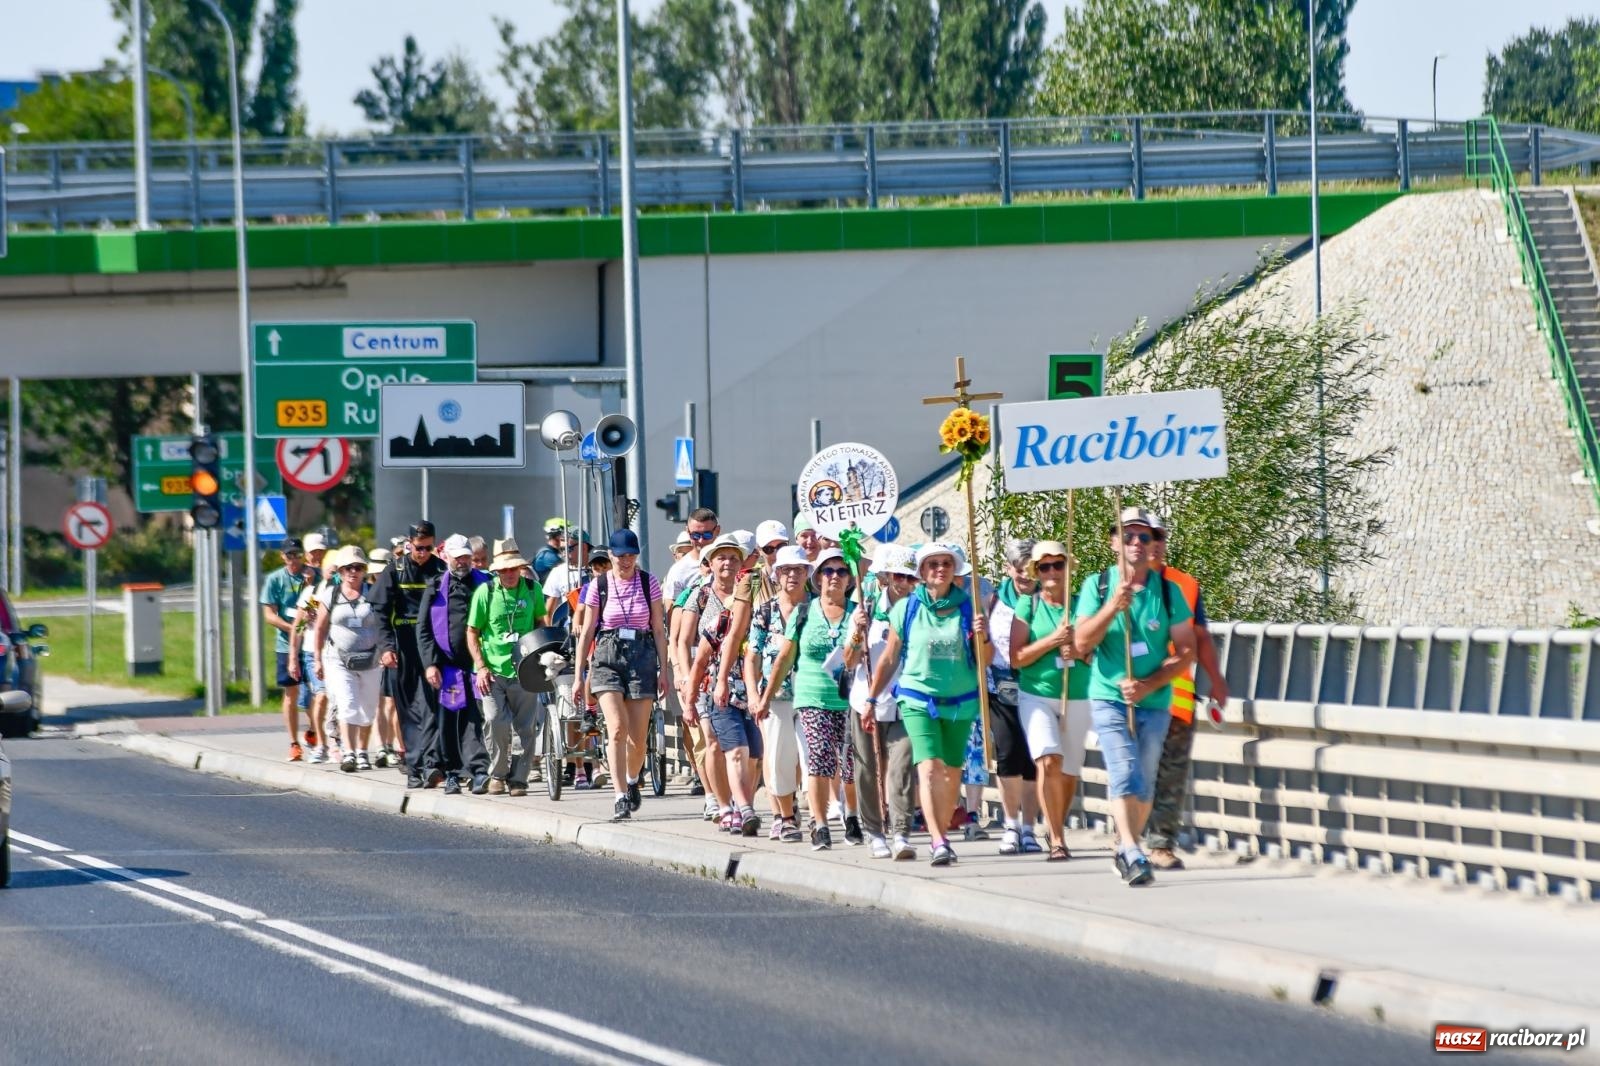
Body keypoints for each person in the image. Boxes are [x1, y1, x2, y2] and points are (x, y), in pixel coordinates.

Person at [1072, 507, 1197, 887]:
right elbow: (1081, 643)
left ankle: (1127, 846)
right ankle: (1130, 848)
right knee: (1124, 770)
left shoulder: (1168, 591)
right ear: (1114, 542)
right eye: (1128, 536)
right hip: (1109, 696)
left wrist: (1149, 684)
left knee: (1143, 780)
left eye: (1145, 536)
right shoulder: (1097, 586)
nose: (1137, 543)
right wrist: (1113, 606)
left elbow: (1186, 651)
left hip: (1154, 701)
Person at [864, 543, 989, 867]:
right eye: (933, 564)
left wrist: (983, 636)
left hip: (961, 701)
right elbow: (889, 657)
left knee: (951, 772)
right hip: (918, 699)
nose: (940, 569)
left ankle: (941, 831)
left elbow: (984, 661)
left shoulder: (969, 607)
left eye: (946, 563)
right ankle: (938, 840)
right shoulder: (907, 608)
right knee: (929, 767)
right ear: (921, 571)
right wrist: (871, 698)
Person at [1142, 515, 1229, 870]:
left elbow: (1201, 637)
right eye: (1146, 537)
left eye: (1159, 537)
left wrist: (1216, 679)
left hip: (1176, 696)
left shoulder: (1185, 585)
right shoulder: (1114, 586)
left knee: (1171, 773)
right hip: (1132, 697)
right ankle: (1128, 836)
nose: (1154, 544)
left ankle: (1161, 843)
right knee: (1136, 770)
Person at [758, 546, 860, 850]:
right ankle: (820, 824)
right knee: (818, 760)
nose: (834, 577)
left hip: (849, 699)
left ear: (849, 579)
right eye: (828, 571)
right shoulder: (805, 612)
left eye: (841, 571)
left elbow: (858, 658)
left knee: (850, 765)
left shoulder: (858, 613)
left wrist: (858, 633)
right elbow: (785, 658)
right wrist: (765, 697)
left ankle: (852, 815)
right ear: (818, 578)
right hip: (811, 697)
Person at [577, 529, 668, 822]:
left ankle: (631, 780)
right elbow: (587, 631)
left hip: (642, 656)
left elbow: (658, 629)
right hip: (607, 655)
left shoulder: (649, 582)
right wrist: (579, 675)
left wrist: (664, 670)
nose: (626, 561)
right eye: (620, 556)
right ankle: (619, 797)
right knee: (617, 728)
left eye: (631, 555)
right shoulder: (599, 585)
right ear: (611, 556)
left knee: (638, 738)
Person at [1009, 540, 1092, 862]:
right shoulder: (1028, 606)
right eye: (1045, 567)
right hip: (1037, 695)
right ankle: (1057, 839)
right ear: (1037, 572)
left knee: (1068, 771)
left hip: (1077, 694)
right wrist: (1053, 641)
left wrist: (1079, 651)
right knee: (1048, 759)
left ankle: (1055, 821)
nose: (1052, 572)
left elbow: (1098, 652)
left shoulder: (1083, 606)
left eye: (1059, 564)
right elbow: (1017, 658)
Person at [685, 533, 763, 835]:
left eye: (733, 558)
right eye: (721, 558)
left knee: (753, 755)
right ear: (711, 563)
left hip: (752, 687)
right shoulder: (703, 596)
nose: (728, 563)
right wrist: (688, 695)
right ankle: (726, 806)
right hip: (715, 686)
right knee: (717, 745)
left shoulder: (757, 599)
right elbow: (691, 647)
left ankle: (743, 803)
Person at [849, 545, 921, 860]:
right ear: (887, 577)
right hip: (867, 699)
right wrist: (857, 633)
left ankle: (901, 832)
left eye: (910, 577)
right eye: (899, 576)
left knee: (902, 766)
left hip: (906, 700)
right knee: (867, 769)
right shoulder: (867, 608)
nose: (904, 583)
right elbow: (849, 661)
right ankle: (874, 831)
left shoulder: (921, 610)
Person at [367, 520, 447, 788]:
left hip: (432, 645)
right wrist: (387, 647)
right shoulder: (395, 570)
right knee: (408, 709)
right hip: (403, 645)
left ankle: (432, 764)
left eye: (428, 548)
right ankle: (414, 767)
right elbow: (380, 613)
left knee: (432, 706)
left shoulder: (440, 569)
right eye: (418, 548)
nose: (422, 553)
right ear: (409, 544)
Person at [467, 538, 546, 797]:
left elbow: (540, 623)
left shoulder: (533, 589)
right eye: (504, 570)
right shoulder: (485, 592)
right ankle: (498, 774)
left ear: (520, 568)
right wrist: (481, 667)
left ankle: (519, 779)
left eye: (513, 569)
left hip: (525, 668)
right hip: (493, 670)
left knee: (526, 727)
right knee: (495, 720)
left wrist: (541, 655)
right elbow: (472, 631)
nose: (509, 574)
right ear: (497, 571)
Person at [416, 534, 493, 796]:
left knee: (476, 719)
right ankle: (452, 772)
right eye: (458, 557)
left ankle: (479, 770)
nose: (463, 561)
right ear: (446, 557)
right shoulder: (436, 586)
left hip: (479, 663)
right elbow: (424, 629)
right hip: (448, 666)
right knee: (449, 720)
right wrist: (430, 664)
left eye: (466, 556)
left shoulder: (486, 583)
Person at [745, 545, 810, 842]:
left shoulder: (817, 608)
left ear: (807, 573)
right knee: (778, 755)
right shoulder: (766, 610)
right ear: (777, 574)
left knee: (809, 757)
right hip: (775, 695)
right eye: (786, 570)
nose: (792, 575)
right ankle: (784, 817)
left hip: (811, 693)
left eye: (798, 569)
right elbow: (752, 656)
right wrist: (753, 694)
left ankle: (814, 816)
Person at [988, 539, 1045, 855]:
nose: (1025, 576)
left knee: (1032, 758)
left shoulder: (1046, 599)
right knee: (1008, 753)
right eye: (1018, 569)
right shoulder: (994, 601)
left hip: (1037, 686)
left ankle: (1029, 827)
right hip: (1001, 687)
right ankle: (1011, 824)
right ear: (1008, 569)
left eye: (1030, 569)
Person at [310, 546, 384, 772]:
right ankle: (349, 753)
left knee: (368, 708)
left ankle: (363, 751)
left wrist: (386, 650)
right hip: (338, 659)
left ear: (364, 571)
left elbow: (384, 624)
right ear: (341, 571)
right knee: (347, 703)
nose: (353, 571)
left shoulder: (374, 593)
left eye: (358, 567)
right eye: (349, 567)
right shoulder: (330, 595)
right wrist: (317, 659)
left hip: (371, 659)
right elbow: (320, 628)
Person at [261, 537, 315, 762]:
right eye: (289, 555)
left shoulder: (312, 575)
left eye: (297, 554)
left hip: (311, 643)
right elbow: (269, 615)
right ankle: (294, 743)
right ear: (282, 556)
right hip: (286, 644)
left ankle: (314, 730)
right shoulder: (275, 579)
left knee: (317, 692)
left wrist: (311, 585)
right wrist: (293, 628)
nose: (294, 559)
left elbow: (319, 604)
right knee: (291, 693)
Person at [364, 547, 404, 769]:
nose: (379, 575)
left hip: (390, 649)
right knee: (378, 701)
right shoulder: (365, 591)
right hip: (370, 651)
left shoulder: (395, 590)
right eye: (377, 572)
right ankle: (382, 746)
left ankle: (394, 744)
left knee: (392, 702)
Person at [541, 529, 591, 625]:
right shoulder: (557, 572)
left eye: (568, 549)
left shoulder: (599, 568)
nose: (564, 554)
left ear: (583, 547)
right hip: (569, 627)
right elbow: (548, 611)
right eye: (562, 549)